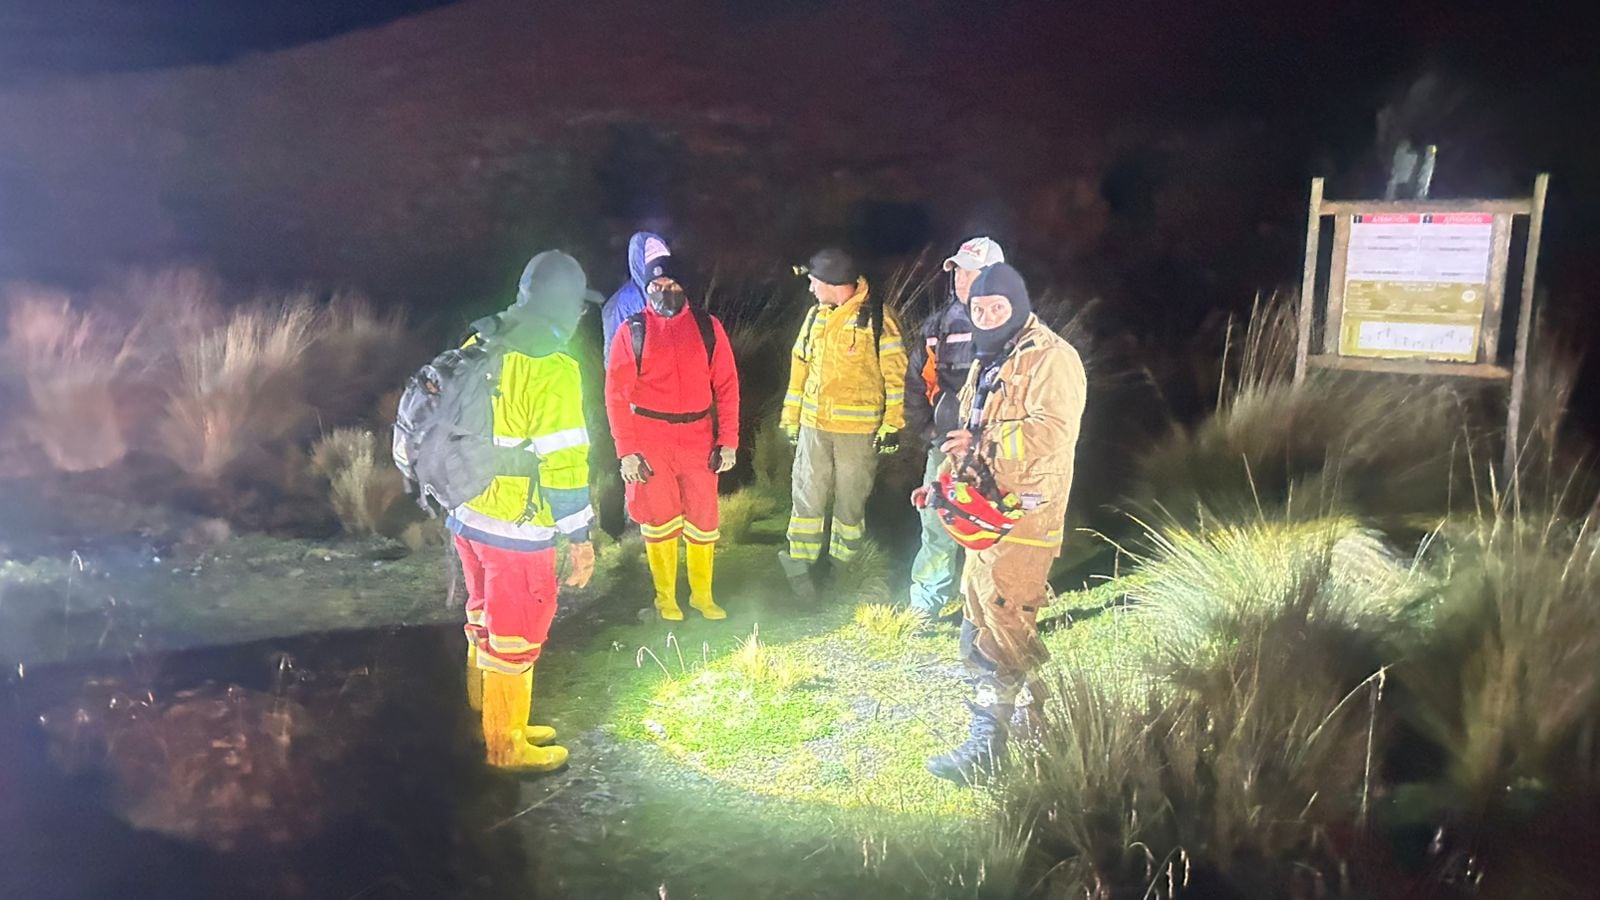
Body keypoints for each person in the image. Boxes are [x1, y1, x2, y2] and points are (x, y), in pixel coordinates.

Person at [919, 263, 1087, 785]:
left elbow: (1052, 433)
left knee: (1004, 627)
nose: (988, 315)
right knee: (981, 621)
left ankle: (996, 746)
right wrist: (943, 484)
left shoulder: (1052, 358)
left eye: (998, 307)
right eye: (979, 309)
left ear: (1020, 303)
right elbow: (968, 430)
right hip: (985, 518)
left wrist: (983, 445)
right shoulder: (991, 358)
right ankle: (1020, 733)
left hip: (1025, 516)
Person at [449, 250, 601, 775]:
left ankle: (487, 719)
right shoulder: (553, 368)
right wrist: (580, 537)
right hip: (516, 528)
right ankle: (506, 746)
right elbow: (563, 463)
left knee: (482, 619)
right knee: (514, 635)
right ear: (564, 308)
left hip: (466, 514)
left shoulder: (480, 342)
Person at [605, 261, 741, 621]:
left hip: (699, 436)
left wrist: (728, 440)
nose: (665, 290)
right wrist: (627, 451)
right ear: (645, 289)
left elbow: (727, 386)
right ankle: (666, 600)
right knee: (659, 518)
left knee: (704, 517)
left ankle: (702, 597)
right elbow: (616, 394)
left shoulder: (707, 328)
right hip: (650, 437)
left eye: (672, 283)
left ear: (685, 286)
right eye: (657, 284)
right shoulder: (632, 330)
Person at [778, 248, 908, 600]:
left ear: (832, 282)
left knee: (850, 504)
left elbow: (895, 376)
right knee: (806, 496)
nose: (810, 289)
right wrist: (791, 418)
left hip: (857, 432)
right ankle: (800, 570)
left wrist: (892, 424)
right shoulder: (814, 317)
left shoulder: (879, 318)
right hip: (813, 427)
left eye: (813, 282)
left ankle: (842, 572)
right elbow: (799, 369)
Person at [903, 236, 1006, 626]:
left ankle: (988, 606)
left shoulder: (1014, 327)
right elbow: (916, 381)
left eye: (971, 271)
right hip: (945, 448)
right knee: (937, 523)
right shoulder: (939, 326)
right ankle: (925, 602)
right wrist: (929, 430)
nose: (962, 279)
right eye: (957, 271)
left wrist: (990, 439)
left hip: (996, 452)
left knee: (993, 526)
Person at [601, 231, 672, 363]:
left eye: (663, 261)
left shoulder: (670, 298)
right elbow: (615, 361)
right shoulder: (621, 304)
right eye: (652, 263)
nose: (659, 269)